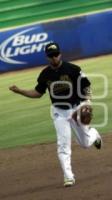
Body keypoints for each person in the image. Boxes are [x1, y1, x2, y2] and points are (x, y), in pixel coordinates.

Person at [9, 42, 102, 187]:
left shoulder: (73, 69)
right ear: (47, 57)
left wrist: (88, 103)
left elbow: (86, 86)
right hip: (59, 112)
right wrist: (20, 91)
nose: (54, 58)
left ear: (60, 54)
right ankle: (68, 176)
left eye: (56, 55)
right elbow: (38, 93)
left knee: (84, 144)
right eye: (51, 56)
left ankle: (94, 134)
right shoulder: (45, 74)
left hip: (76, 109)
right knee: (63, 145)